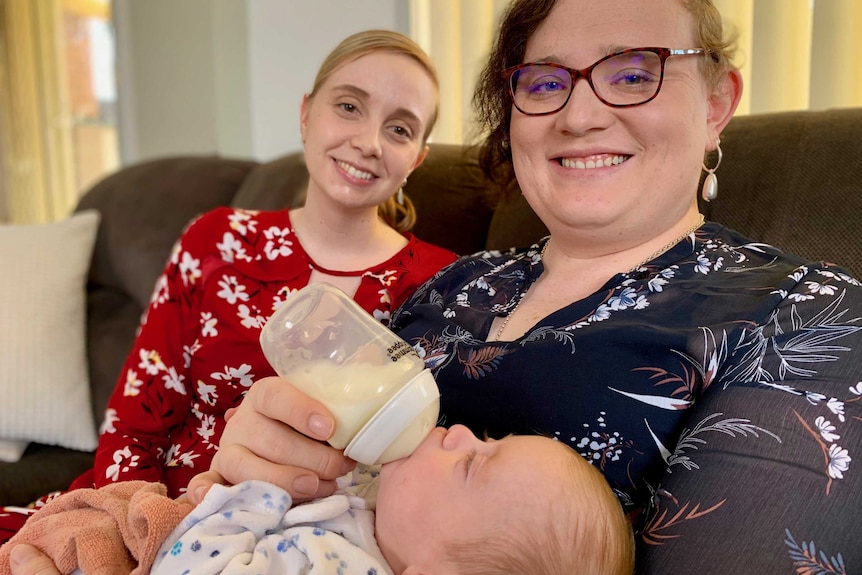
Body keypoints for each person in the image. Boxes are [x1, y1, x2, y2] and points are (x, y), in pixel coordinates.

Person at [12, 0, 862, 573]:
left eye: (633, 69)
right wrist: (258, 459)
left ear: (718, 101)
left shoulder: (810, 321)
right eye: (543, 81)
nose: (578, 112)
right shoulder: (454, 285)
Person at [0, 29, 457, 542]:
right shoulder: (216, 240)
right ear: (306, 114)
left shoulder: (444, 284)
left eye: (399, 129)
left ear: (416, 157)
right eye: (349, 106)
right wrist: (135, 532)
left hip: (318, 543)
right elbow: (134, 423)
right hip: (156, 509)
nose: (369, 142)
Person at [1, 426, 635, 575]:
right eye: (489, 437)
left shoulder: (338, 567)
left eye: (472, 462)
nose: (464, 431)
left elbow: (190, 567)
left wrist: (255, 495)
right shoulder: (379, 519)